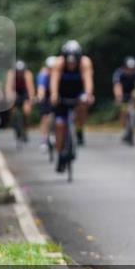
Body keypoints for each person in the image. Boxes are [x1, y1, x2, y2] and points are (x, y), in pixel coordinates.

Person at [50, 40, 95, 173]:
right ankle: (60, 153)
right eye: (69, 62)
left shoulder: (85, 63)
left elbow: (88, 80)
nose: (71, 64)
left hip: (77, 92)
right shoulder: (58, 63)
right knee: (59, 125)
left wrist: (88, 94)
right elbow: (54, 80)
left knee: (83, 105)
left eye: (74, 62)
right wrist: (53, 94)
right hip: (62, 94)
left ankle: (79, 130)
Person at [112, 56, 135, 143]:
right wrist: (118, 96)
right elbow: (117, 86)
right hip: (123, 93)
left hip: (133, 93)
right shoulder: (119, 73)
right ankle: (124, 128)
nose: (130, 70)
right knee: (123, 110)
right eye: (128, 68)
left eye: (132, 69)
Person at [5, 60, 34, 141]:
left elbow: (30, 88)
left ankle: (25, 127)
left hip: (24, 92)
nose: (19, 74)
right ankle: (13, 122)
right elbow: (8, 88)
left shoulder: (28, 74)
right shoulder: (11, 74)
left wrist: (30, 100)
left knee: (27, 110)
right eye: (18, 72)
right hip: (15, 91)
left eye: (21, 72)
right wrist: (9, 98)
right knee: (11, 105)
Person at [36, 56, 57, 151]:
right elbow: (41, 89)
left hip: (57, 95)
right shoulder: (43, 75)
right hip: (46, 95)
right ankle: (43, 140)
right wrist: (40, 97)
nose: (52, 71)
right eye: (50, 69)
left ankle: (56, 135)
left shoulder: (59, 74)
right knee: (45, 117)